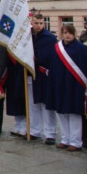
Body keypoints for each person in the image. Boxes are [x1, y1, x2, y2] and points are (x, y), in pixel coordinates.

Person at [47, 23, 87, 152]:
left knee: (74, 113)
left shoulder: (80, 48)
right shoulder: (57, 48)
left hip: (74, 85)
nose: (67, 35)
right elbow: (53, 66)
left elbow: (85, 69)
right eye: (65, 33)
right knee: (61, 112)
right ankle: (65, 139)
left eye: (69, 33)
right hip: (59, 85)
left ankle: (76, 141)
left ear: (74, 34)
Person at [30, 13, 59, 144]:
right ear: (32, 22)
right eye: (36, 23)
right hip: (32, 74)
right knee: (34, 104)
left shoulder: (50, 38)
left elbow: (51, 56)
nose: (39, 26)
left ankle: (50, 133)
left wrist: (37, 59)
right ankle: (35, 130)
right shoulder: (29, 36)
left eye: (41, 23)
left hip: (45, 74)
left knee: (47, 105)